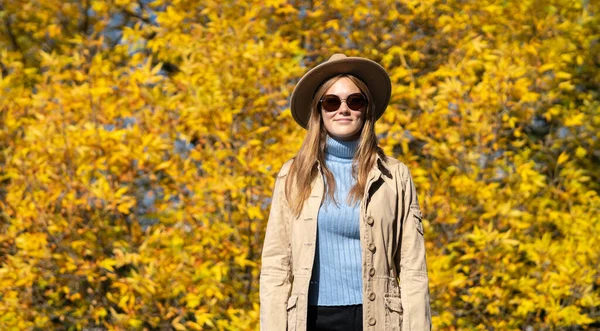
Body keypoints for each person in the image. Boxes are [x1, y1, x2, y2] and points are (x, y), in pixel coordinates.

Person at [260, 54, 431, 331]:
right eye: (331, 101)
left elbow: (413, 269)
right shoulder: (292, 175)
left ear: (366, 109)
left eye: (355, 101)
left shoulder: (394, 176)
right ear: (319, 111)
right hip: (310, 319)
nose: (343, 109)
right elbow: (276, 267)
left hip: (376, 319)